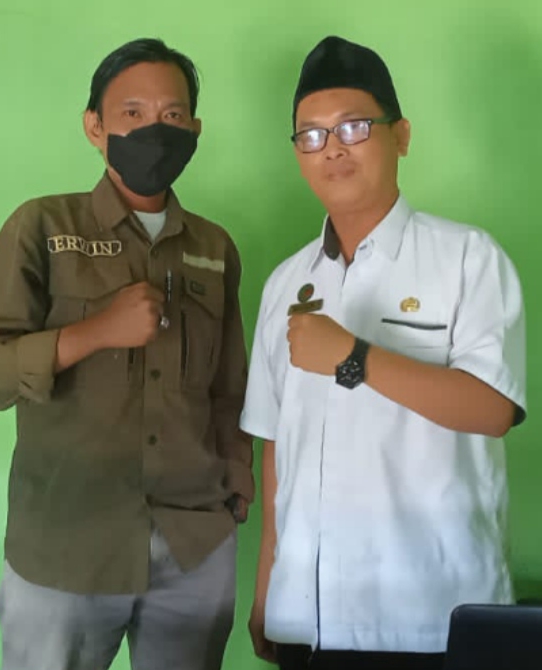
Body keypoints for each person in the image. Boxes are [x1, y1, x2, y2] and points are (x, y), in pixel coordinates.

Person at [0, 37, 253, 670]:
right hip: (66, 551)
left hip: (192, 548)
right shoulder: (43, 227)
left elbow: (229, 388)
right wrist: (93, 332)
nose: (154, 130)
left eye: (172, 115)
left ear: (194, 130)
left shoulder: (213, 248)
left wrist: (237, 479)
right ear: (95, 126)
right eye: (132, 113)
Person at [241, 35, 525, 670]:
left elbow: (493, 409)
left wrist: (353, 357)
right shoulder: (286, 283)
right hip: (308, 618)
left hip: (431, 617)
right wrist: (268, 591)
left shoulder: (468, 258)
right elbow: (277, 447)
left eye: (354, 127)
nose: (332, 147)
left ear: (401, 135)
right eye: (311, 135)